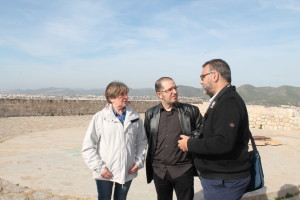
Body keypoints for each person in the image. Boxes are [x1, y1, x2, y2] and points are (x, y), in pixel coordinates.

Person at [178, 59, 251, 200]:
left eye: (202, 77)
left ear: (215, 75)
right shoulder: (222, 100)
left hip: (224, 181)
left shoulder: (228, 103)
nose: (201, 81)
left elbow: (222, 142)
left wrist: (189, 144)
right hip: (221, 179)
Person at [82, 81, 147, 200]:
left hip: (127, 171)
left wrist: (138, 162)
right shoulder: (100, 118)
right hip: (105, 172)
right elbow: (88, 147)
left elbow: (142, 142)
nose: (126, 97)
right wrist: (99, 167)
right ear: (111, 98)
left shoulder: (135, 117)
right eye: (121, 94)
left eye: (126, 94)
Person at [144, 77, 202, 200]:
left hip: (183, 169)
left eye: (175, 88)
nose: (174, 92)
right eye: (169, 89)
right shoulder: (151, 114)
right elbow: (148, 138)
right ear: (159, 94)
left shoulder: (191, 111)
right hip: (160, 171)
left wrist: (190, 139)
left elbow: (202, 131)